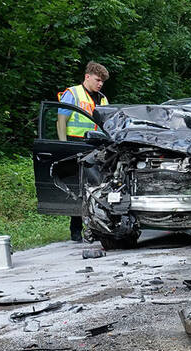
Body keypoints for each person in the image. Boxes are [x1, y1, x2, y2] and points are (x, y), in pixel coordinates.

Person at [57, 61, 110, 241]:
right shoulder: (73, 93)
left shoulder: (102, 98)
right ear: (87, 77)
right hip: (76, 144)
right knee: (78, 187)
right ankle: (75, 230)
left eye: (102, 81)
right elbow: (61, 120)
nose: (100, 83)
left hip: (97, 146)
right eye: (98, 80)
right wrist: (64, 146)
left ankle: (98, 228)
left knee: (97, 187)